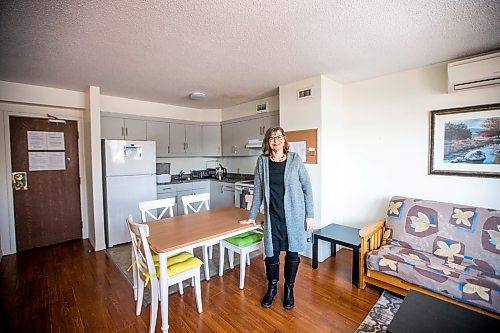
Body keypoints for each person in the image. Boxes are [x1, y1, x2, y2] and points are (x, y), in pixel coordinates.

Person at [240, 126, 314, 310]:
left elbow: (307, 188)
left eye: (279, 137)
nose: (276, 140)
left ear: (284, 139)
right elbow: (258, 192)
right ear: (268, 141)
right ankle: (272, 287)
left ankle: (289, 288)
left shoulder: (295, 160)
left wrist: (309, 215)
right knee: (271, 254)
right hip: (272, 217)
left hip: (294, 216)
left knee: (292, 253)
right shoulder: (262, 162)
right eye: (272, 138)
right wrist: (251, 216)